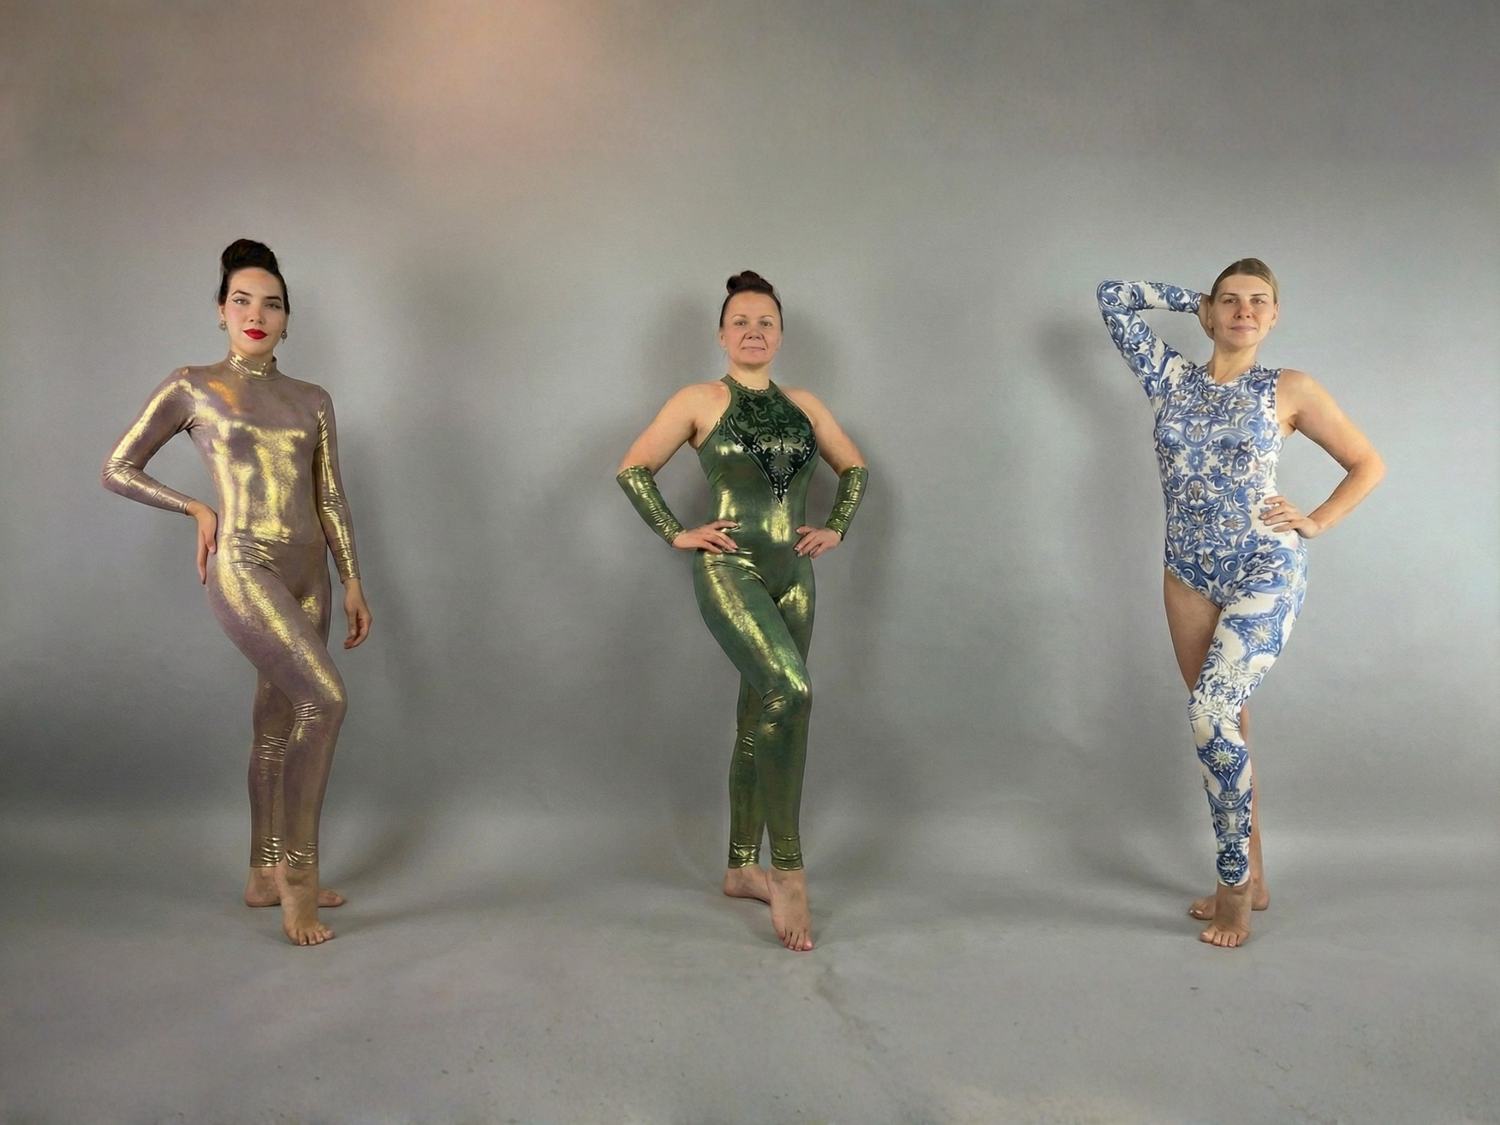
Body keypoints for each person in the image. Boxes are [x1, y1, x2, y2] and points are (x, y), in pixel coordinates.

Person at [1096, 261, 1383, 948]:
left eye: (1258, 301)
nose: (1243, 310)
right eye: (1229, 300)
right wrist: (1189, 297)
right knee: (1229, 726)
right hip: (1187, 573)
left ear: (1275, 316)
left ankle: (1232, 890)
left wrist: (1314, 519)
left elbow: (1366, 462)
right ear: (1210, 312)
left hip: (1262, 565)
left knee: (1210, 714)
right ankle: (1255, 873)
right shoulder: (1172, 378)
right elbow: (1112, 298)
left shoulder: (1287, 387)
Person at [102, 239, 372, 946]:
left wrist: (352, 581)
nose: (257, 313)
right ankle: (300, 883)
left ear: (288, 318)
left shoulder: (312, 398)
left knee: (276, 723)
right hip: (243, 563)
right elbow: (119, 467)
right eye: (242, 300)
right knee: (327, 699)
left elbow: (332, 496)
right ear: (221, 311)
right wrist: (195, 508)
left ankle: (260, 871)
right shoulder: (192, 384)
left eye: (272, 303)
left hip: (309, 574)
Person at [617, 271, 868, 952]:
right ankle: (786, 867)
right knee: (792, 689)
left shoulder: (806, 403)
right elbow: (634, 467)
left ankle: (739, 866)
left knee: (760, 713)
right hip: (731, 566)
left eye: (766, 321)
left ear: (780, 334)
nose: (754, 330)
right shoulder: (699, 399)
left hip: (796, 575)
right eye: (741, 320)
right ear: (722, 333)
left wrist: (836, 525)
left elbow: (856, 469)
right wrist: (678, 531)